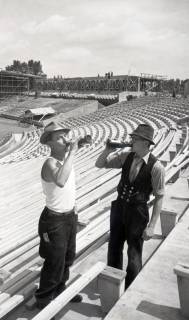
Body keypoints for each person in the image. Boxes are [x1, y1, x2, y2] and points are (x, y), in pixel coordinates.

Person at [95, 124, 165, 289]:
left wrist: (152, 226)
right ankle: (112, 285)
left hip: (138, 213)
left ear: (146, 143)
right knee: (114, 248)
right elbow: (100, 164)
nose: (131, 140)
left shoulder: (157, 167)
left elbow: (160, 197)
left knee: (134, 254)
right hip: (119, 208)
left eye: (135, 138)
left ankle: (129, 288)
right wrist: (107, 149)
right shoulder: (126, 156)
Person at [35, 121, 82, 309]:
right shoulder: (49, 163)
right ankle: (43, 300)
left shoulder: (65, 162)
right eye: (60, 137)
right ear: (51, 143)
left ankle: (60, 289)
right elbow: (61, 181)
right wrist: (72, 152)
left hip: (69, 216)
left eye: (65, 134)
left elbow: (69, 188)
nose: (65, 138)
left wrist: (74, 208)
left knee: (68, 257)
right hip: (54, 220)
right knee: (54, 261)